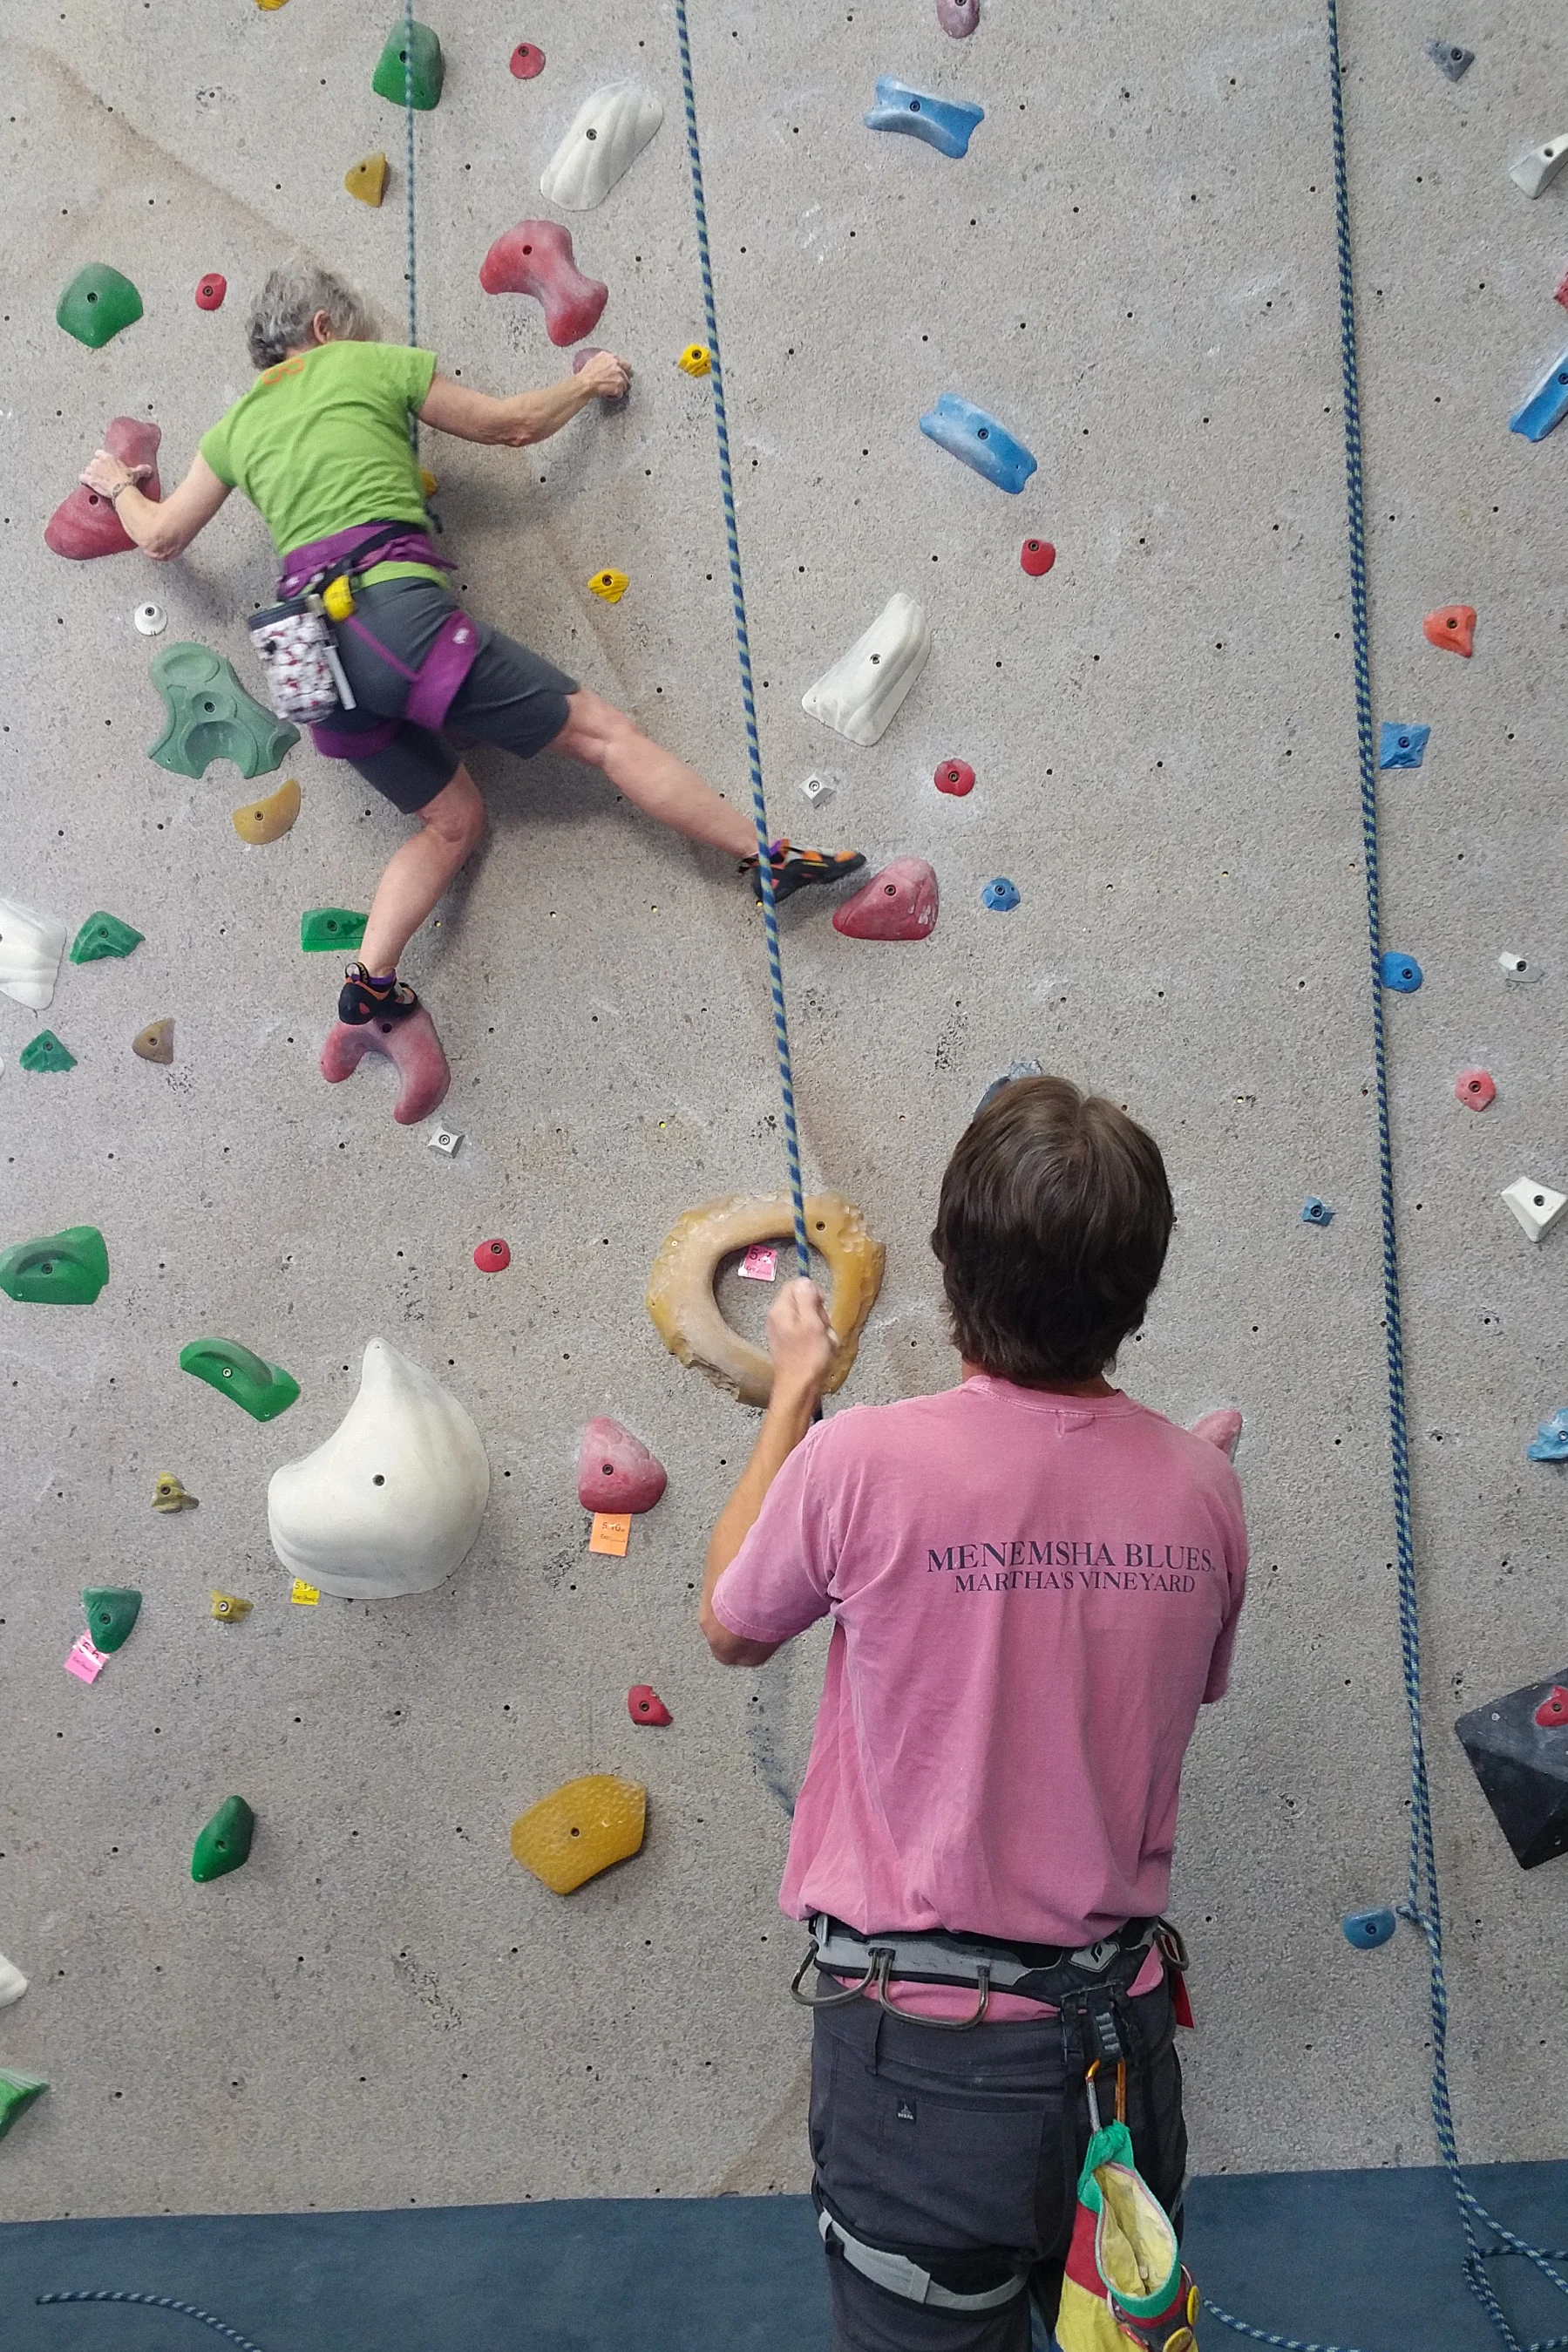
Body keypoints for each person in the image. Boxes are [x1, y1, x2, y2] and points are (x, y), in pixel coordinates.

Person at [699, 1075, 1248, 2352]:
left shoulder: (855, 1458)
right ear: (1139, 1284)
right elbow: (1171, 1691)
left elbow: (730, 1623)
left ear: (950, 1266)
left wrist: (793, 1384)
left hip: (926, 2066)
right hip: (1116, 2054)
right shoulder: (1200, 1491)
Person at [80, 259, 864, 1043]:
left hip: (304, 659)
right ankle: (766, 859)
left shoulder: (234, 428)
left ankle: (371, 981)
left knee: (451, 822)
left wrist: (119, 484)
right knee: (602, 733)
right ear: (324, 329)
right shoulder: (365, 361)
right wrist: (588, 381)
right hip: (391, 614)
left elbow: (161, 536)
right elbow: (511, 424)